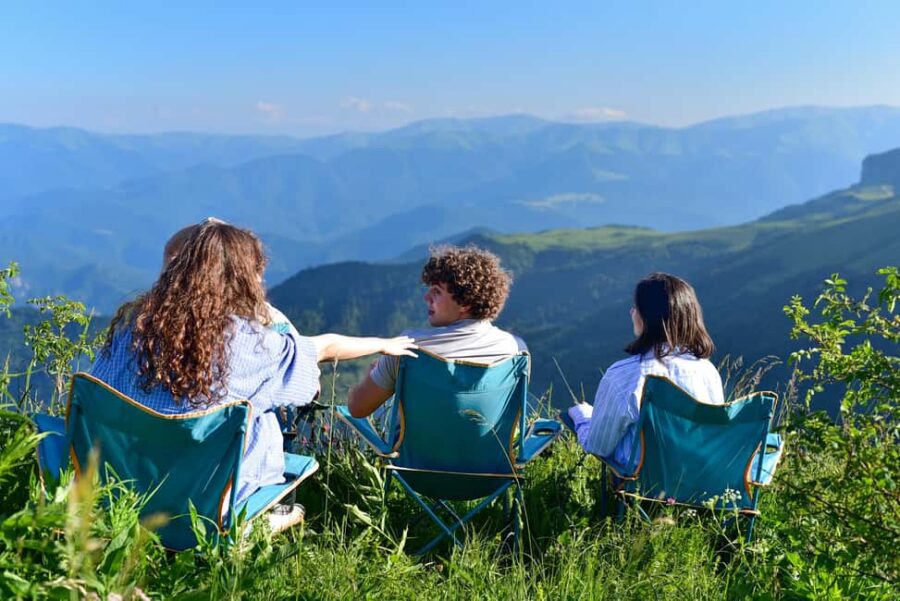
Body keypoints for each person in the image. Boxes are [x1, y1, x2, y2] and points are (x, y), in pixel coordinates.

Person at [90, 220, 417, 505]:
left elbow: (95, 394)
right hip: (213, 494)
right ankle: (258, 523)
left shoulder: (134, 328)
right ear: (242, 280)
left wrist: (204, 235)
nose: (260, 284)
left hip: (122, 483)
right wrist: (384, 344)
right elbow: (317, 366)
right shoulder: (257, 345)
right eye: (256, 276)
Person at [348, 245, 526, 418]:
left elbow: (357, 408)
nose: (426, 298)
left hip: (418, 449)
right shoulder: (516, 348)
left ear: (465, 302)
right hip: (493, 449)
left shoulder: (407, 347)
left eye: (436, 292)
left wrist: (372, 373)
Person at [567, 272, 724, 468]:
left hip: (641, 485)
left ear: (647, 318)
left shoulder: (626, 376)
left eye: (636, 308)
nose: (632, 313)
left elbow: (598, 446)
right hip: (699, 483)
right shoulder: (707, 372)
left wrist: (582, 418)